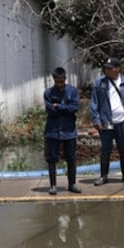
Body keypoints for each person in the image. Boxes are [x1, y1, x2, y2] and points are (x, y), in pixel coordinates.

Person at [89, 57, 124, 186]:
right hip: (106, 122)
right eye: (106, 68)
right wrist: (96, 120)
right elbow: (94, 104)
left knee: (123, 149)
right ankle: (103, 176)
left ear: (117, 69)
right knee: (106, 149)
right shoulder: (100, 83)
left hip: (123, 122)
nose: (107, 70)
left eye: (110, 68)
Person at [43, 66, 81, 195]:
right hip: (53, 131)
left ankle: (72, 184)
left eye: (61, 81)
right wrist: (65, 108)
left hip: (68, 131)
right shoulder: (48, 93)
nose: (59, 84)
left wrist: (59, 106)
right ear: (54, 80)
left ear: (65, 79)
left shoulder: (73, 91)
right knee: (51, 159)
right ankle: (53, 185)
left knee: (71, 158)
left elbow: (74, 108)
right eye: (57, 82)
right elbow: (50, 110)